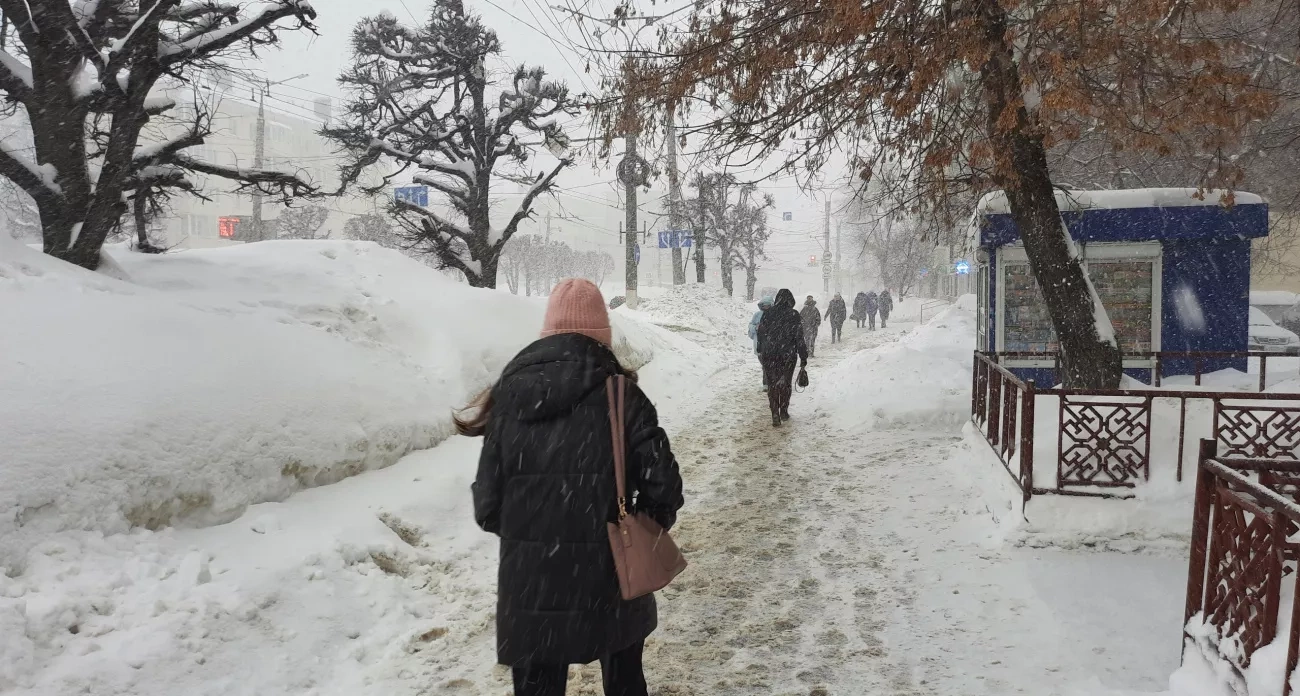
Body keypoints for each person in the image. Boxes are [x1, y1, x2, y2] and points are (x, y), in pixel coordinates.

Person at [462, 278, 685, 696]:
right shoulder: (621, 396)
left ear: (547, 332)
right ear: (602, 337)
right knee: (625, 683)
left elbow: (488, 505)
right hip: (611, 578)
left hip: (531, 587)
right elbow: (665, 486)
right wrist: (641, 525)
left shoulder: (509, 397)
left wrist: (536, 533)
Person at [756, 289, 808, 428]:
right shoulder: (794, 314)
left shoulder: (768, 314)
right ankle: (784, 411)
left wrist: (761, 349)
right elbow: (799, 337)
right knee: (786, 383)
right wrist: (803, 356)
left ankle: (774, 413)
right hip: (788, 354)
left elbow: (760, 333)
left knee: (772, 384)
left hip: (769, 354)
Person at [748, 295, 775, 390]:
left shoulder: (776, 315)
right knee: (765, 364)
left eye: (768, 305)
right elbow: (751, 326)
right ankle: (768, 383)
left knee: (769, 364)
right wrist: (756, 328)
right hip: (760, 344)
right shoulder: (757, 315)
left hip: (772, 344)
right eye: (764, 305)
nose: (766, 307)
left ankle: (767, 384)